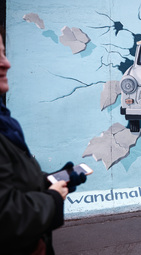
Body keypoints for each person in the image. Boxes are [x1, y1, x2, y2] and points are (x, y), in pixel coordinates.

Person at [0, 30, 85, 254]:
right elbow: (7, 217)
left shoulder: (6, 124)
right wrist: (54, 197)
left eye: (3, 54)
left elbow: (12, 182)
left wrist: (53, 179)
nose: (6, 63)